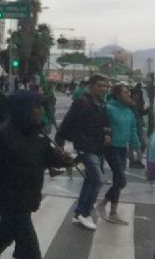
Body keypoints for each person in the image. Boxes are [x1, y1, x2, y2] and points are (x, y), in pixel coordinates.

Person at [0, 91, 74, 259]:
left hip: (28, 197)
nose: (41, 111)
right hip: (9, 200)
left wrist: (66, 160)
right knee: (31, 253)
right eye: (36, 107)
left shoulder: (38, 133)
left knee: (2, 238)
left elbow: (48, 157)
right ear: (23, 109)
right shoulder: (1, 135)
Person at [58, 74, 111, 231]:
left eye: (105, 86)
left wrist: (108, 134)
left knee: (90, 180)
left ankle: (79, 212)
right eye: (100, 85)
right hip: (85, 146)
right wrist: (61, 143)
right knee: (96, 179)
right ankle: (84, 213)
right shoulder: (82, 103)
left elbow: (105, 123)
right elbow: (67, 122)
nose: (102, 89)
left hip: (98, 146)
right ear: (91, 86)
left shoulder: (102, 104)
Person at [98, 84, 140, 224]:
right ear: (117, 95)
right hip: (111, 147)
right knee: (121, 180)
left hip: (122, 148)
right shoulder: (108, 108)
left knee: (118, 180)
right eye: (125, 92)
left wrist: (136, 147)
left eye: (129, 92)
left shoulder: (129, 111)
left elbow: (133, 130)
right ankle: (103, 204)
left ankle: (113, 212)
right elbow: (103, 125)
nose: (128, 94)